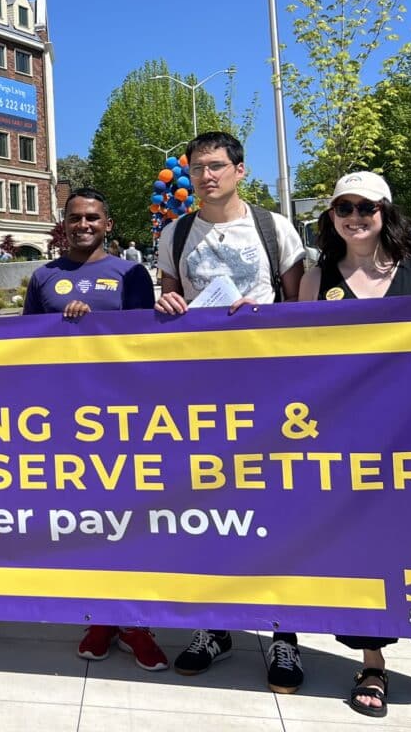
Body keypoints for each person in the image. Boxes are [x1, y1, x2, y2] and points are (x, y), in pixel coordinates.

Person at [298, 171, 411, 723]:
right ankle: (372, 661)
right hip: (349, 438)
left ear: (386, 213)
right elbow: (295, 355)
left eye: (366, 208)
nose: (355, 217)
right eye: (343, 208)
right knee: (362, 546)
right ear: (331, 217)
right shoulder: (316, 278)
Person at [154, 132, 307, 691]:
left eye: (217, 167)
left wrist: (264, 318)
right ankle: (213, 627)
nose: (206, 176)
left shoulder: (274, 228)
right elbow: (168, 308)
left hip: (268, 393)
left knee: (276, 510)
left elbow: (301, 311)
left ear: (240, 171)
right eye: (197, 169)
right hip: (203, 393)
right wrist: (167, 303)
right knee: (209, 510)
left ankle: (284, 636)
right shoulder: (178, 232)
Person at [23, 188, 165, 671]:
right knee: (88, 522)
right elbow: (25, 346)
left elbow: (148, 341)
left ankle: (136, 622)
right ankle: (102, 616)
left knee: (131, 520)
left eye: (92, 218)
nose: (83, 224)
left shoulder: (130, 273)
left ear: (107, 224)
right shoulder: (44, 276)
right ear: (63, 224)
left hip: (123, 419)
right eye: (74, 218)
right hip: (65, 418)